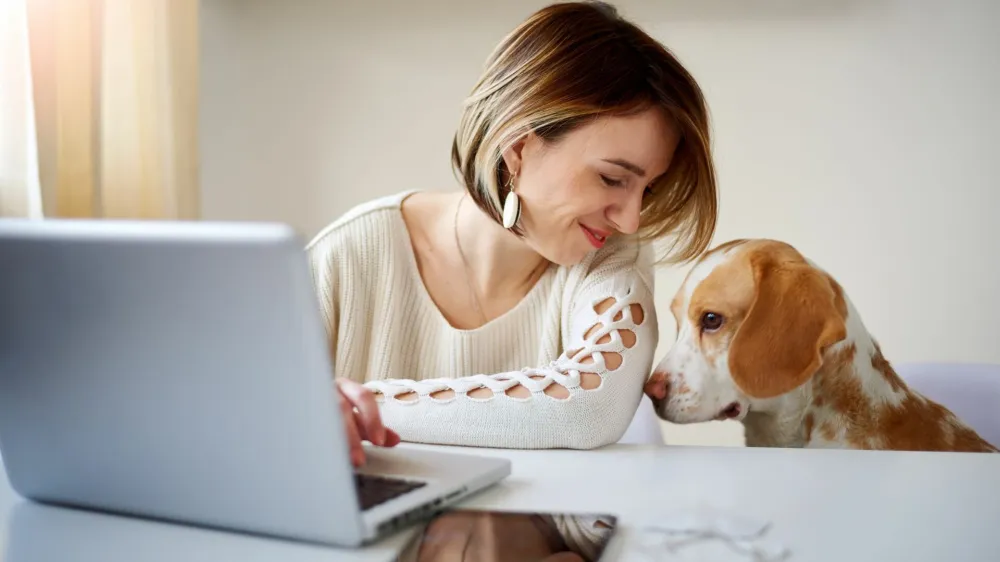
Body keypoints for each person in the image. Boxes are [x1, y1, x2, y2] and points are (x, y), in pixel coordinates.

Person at [310, 1, 716, 466]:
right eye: (611, 178)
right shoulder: (344, 259)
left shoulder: (610, 258)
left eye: (647, 189)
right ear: (518, 147)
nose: (630, 220)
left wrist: (358, 408)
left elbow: (589, 409)